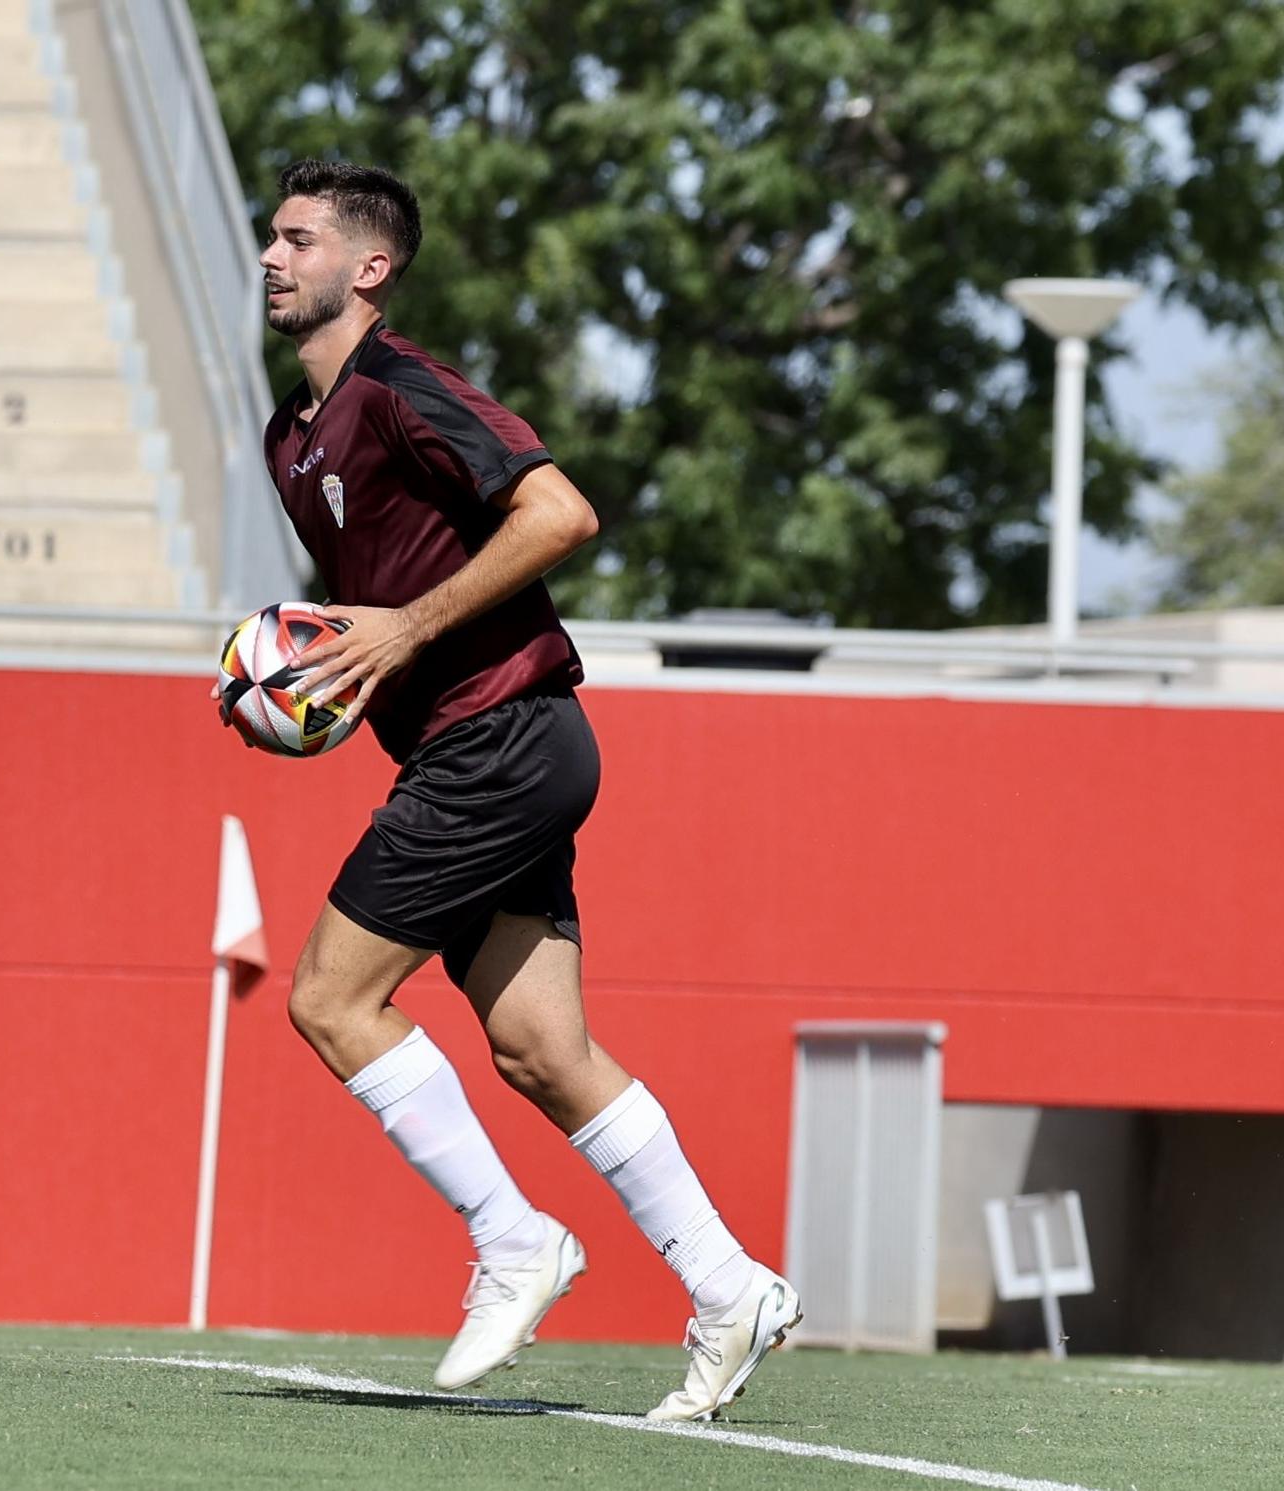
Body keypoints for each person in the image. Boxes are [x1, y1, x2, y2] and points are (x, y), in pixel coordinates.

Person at [240, 160, 800, 1421]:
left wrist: (396, 634)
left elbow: (559, 513)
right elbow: (374, 602)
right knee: (539, 1050)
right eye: (267, 238)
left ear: (368, 269)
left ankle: (512, 1241)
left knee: (331, 1001)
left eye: (297, 239)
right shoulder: (290, 433)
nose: (271, 258)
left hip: (503, 742)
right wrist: (302, 686)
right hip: (482, 748)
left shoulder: (402, 387)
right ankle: (728, 1288)